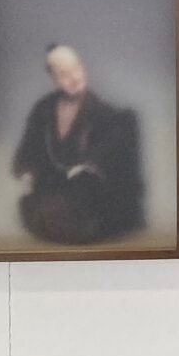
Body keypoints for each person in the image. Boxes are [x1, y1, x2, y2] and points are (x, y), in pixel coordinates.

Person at [11, 43, 144, 246]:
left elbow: (114, 165)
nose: (74, 77)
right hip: (50, 191)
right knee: (30, 207)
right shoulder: (43, 110)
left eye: (77, 68)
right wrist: (27, 172)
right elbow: (27, 151)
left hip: (89, 197)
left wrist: (89, 167)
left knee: (69, 210)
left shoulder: (107, 115)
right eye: (64, 73)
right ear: (54, 78)